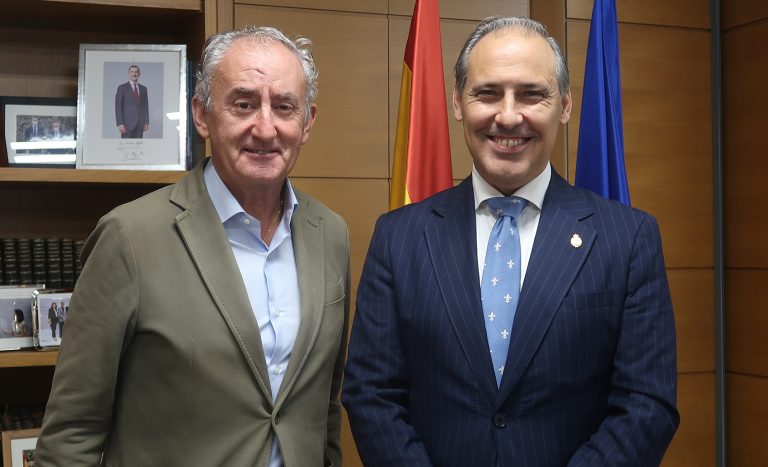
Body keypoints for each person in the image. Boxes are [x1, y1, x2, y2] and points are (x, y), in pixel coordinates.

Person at [342, 16, 679, 466]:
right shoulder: (398, 237)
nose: (507, 115)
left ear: (564, 105)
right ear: (458, 102)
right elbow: (371, 394)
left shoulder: (629, 239)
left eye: (531, 94)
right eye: (487, 93)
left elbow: (646, 405)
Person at [36, 25, 350, 467]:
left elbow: (324, 407)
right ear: (202, 115)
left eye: (284, 107)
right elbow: (73, 432)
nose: (265, 129)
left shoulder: (330, 234)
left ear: (307, 122)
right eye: (243, 104)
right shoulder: (129, 237)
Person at [115, 64, 150, 138]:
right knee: (126, 144)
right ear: (129, 73)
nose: (134, 74)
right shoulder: (122, 88)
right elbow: (118, 107)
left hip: (140, 124)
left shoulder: (144, 89)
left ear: (139, 74)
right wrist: (120, 124)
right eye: (132, 72)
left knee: (139, 144)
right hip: (127, 125)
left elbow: (145, 106)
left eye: (136, 72)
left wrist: (146, 122)